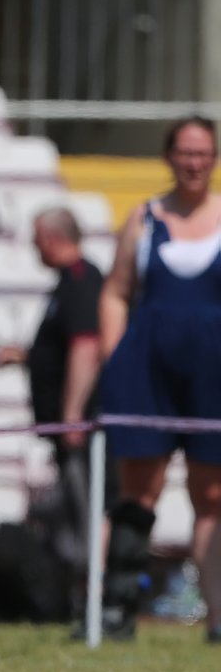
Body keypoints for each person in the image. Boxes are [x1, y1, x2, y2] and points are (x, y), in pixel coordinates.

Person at [97, 116, 221, 643]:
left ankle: (218, 618)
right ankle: (116, 612)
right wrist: (115, 356)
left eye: (204, 154)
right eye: (185, 153)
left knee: (212, 496)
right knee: (137, 493)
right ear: (169, 157)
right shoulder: (145, 219)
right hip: (149, 373)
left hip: (212, 377)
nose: (194, 163)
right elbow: (115, 292)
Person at [0, 207, 107, 581]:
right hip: (65, 427)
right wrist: (24, 356)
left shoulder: (81, 280)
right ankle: (80, 595)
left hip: (80, 426)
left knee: (90, 507)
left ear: (54, 238)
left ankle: (96, 596)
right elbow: (60, 350)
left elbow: (86, 347)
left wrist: (72, 414)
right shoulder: (67, 283)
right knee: (74, 509)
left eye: (37, 238)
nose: (33, 246)